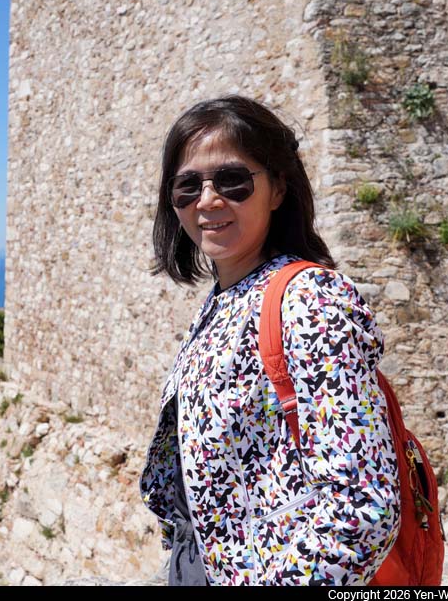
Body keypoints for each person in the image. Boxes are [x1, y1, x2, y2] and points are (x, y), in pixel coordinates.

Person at [139, 95, 401, 586]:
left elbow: (362, 507)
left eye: (232, 180)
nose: (208, 200)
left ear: (278, 188)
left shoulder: (309, 300)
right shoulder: (224, 300)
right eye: (187, 186)